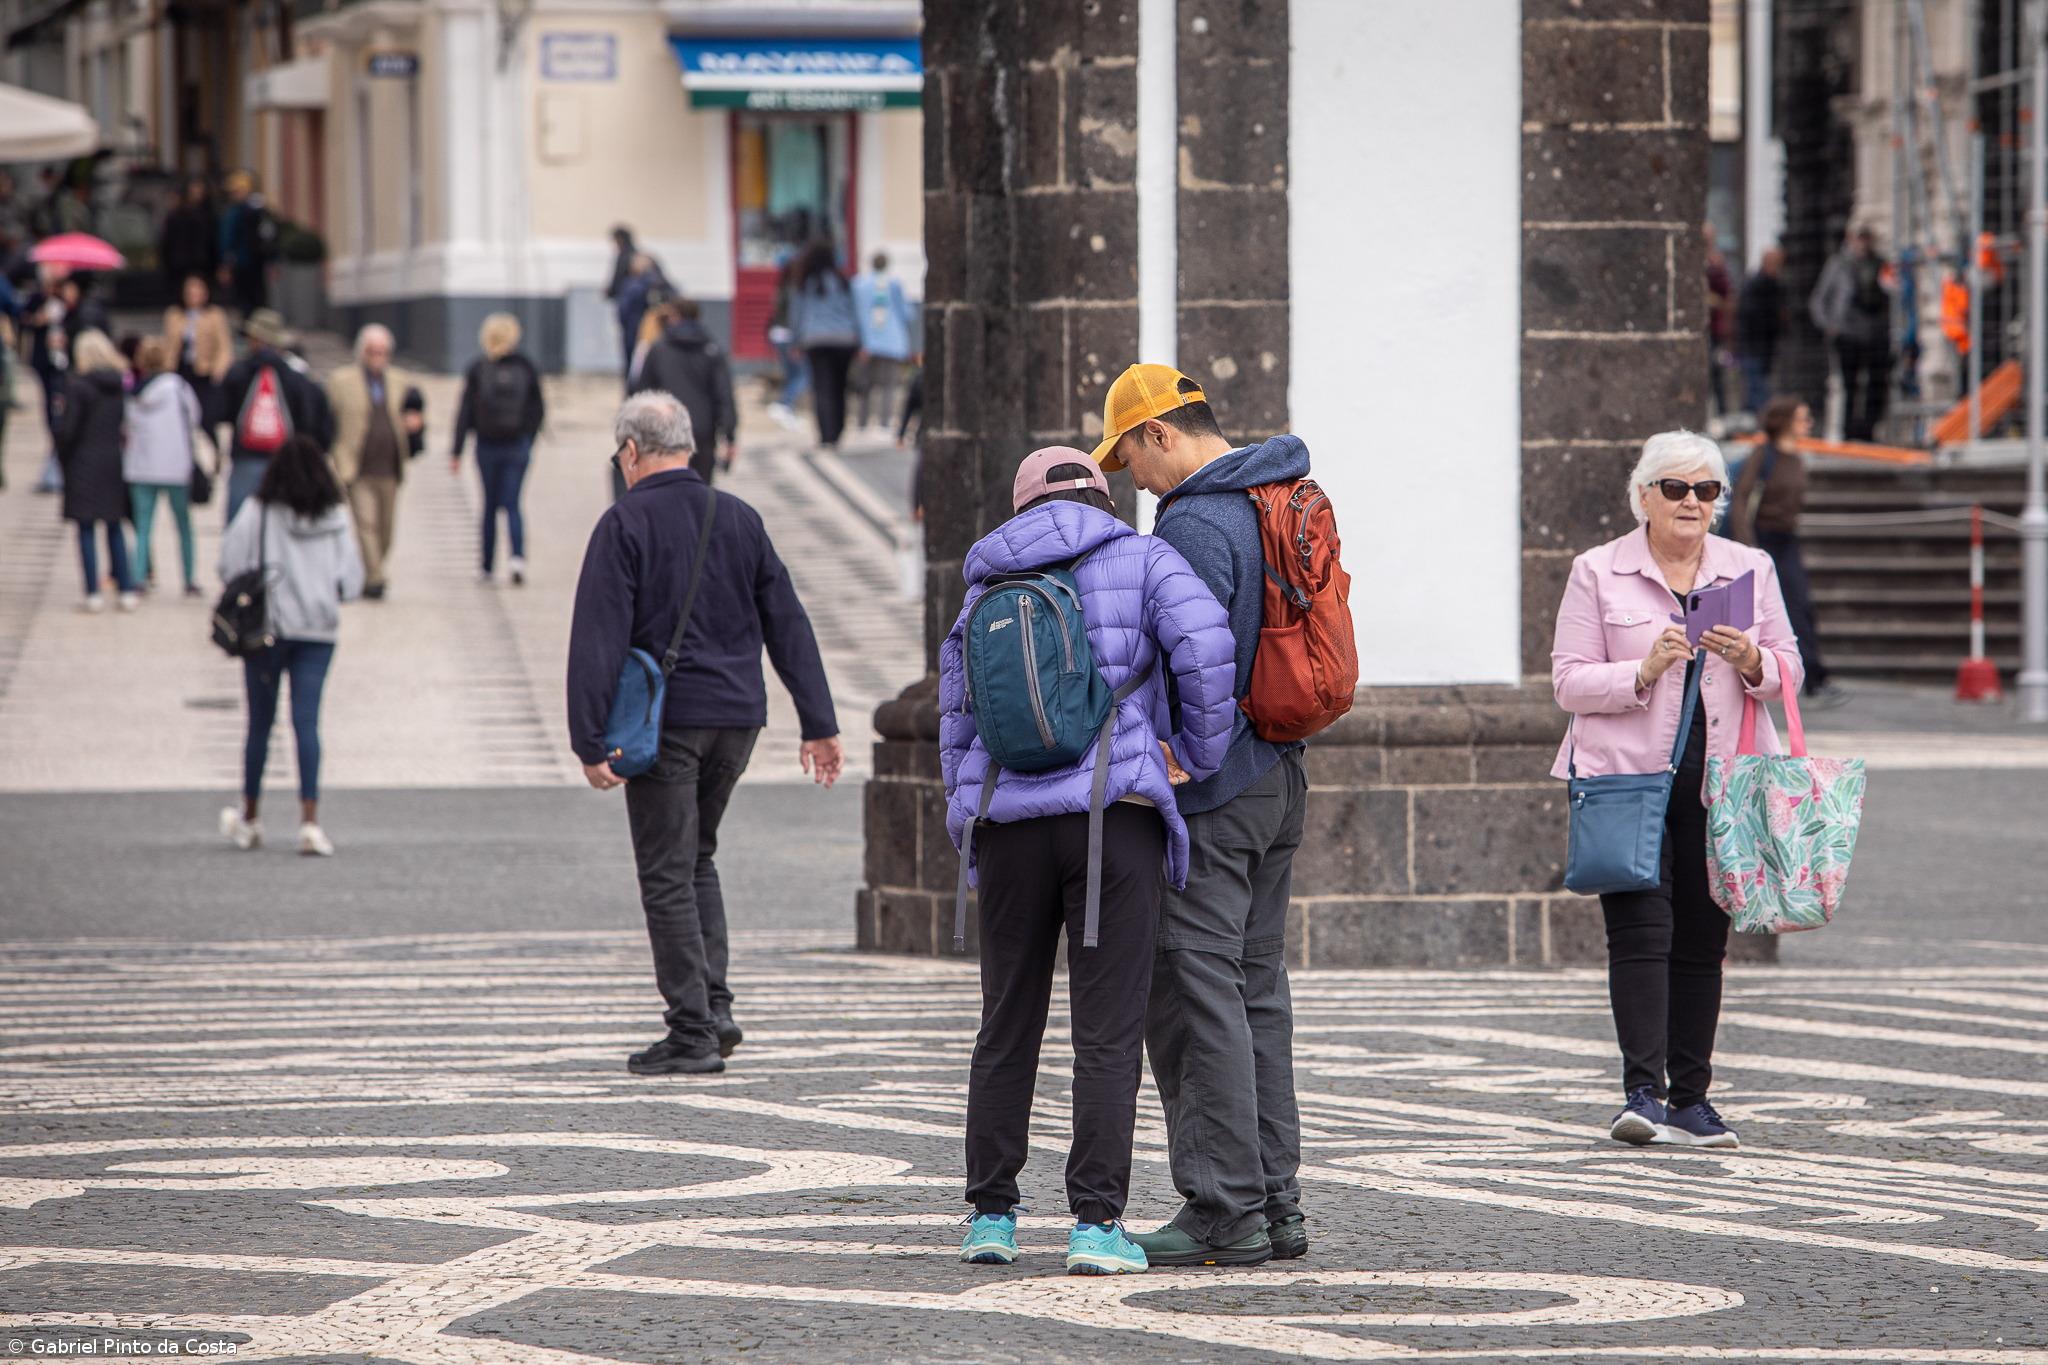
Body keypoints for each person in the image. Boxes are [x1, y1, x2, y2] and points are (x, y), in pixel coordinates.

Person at [943, 449, 1236, 1277]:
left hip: (1007, 822)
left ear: (1022, 503)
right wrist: (1192, 755)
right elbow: (1207, 649)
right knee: (1106, 1030)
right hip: (1115, 817)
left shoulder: (983, 586)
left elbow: (957, 721)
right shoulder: (1144, 557)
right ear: (1102, 498)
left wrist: (969, 825)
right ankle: (1096, 1224)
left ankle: (992, 1216)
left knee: (1006, 1020)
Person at [1091, 363, 1314, 1268]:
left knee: (1193, 989)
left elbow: (1193, 656)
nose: (1130, 481)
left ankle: (1225, 1207)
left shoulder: (1192, 518)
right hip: (1282, 777)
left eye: (1129, 458)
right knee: (1257, 989)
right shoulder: (1279, 491)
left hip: (1217, 789)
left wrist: (1188, 758)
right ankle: (1278, 1200)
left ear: (1160, 435)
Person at [567, 391, 844, 1077]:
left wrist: (588, 738)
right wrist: (819, 722)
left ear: (632, 451)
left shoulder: (624, 523)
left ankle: (691, 1029)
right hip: (739, 719)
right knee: (697, 858)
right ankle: (714, 1008)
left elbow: (597, 638)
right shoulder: (740, 517)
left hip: (669, 725)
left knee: (666, 871)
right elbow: (789, 621)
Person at [1551, 430, 1803, 1152]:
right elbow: (1568, 679)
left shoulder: (1747, 568)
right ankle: (1643, 1094)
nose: (1691, 501)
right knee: (1639, 933)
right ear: (1644, 498)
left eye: (1706, 490)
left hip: (1724, 784)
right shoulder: (1598, 571)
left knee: (1701, 939)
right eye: (1675, 488)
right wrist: (1642, 669)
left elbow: (1791, 671)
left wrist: (1753, 658)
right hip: (1624, 781)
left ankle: (1694, 1100)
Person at [218, 434, 365, 859]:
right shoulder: (336, 515)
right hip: (318, 632)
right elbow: (352, 581)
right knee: (307, 723)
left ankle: (250, 816)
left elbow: (229, 564)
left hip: (268, 630)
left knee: (260, 725)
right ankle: (310, 821)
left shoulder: (259, 511)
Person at [1730, 397, 1843, 708]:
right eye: (1802, 419)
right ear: (1785, 422)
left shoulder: (1797, 457)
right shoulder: (1764, 455)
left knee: (1801, 604)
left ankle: (1813, 677)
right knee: (1762, 609)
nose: (1808, 424)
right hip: (1761, 540)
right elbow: (1741, 498)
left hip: (1786, 538)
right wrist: (1747, 546)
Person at [208, 308, 334, 523]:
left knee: (239, 522)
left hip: (245, 457)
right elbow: (313, 418)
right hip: (285, 459)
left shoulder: (239, 373)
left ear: (255, 340)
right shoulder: (296, 378)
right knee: (284, 522)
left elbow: (218, 411)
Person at [326, 324, 424, 600]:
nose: (377, 357)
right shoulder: (342, 382)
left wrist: (414, 424)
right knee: (366, 524)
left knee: (386, 529)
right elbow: (328, 421)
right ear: (362, 352)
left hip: (390, 467)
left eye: (382, 352)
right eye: (372, 351)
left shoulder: (399, 381)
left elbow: (412, 413)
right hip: (357, 467)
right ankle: (375, 578)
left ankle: (373, 568)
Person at [452, 312, 547, 585]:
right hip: (517, 446)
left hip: (487, 445)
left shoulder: (478, 368)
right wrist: (528, 437)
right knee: (513, 503)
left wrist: (456, 450)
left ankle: (486, 565)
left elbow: (465, 411)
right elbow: (538, 408)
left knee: (490, 505)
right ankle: (517, 559)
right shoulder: (527, 366)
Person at [54, 330, 137, 612]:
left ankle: (93, 593)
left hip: (83, 460)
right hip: (113, 459)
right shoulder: (119, 385)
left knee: (86, 527)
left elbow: (68, 430)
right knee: (114, 525)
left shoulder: (78, 386)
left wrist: (61, 451)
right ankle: (125, 589)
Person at [124, 338, 206, 599]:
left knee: (143, 525)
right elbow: (194, 418)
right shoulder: (179, 388)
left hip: (141, 467)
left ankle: (139, 578)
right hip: (176, 466)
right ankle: (189, 578)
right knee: (183, 525)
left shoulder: (133, 393)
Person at [629, 298, 737, 483]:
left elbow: (642, 394)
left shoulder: (659, 350)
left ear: (674, 317)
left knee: (667, 490)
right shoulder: (712, 350)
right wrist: (729, 434)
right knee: (700, 492)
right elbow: (724, 395)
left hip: (665, 430)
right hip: (702, 430)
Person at [1810, 226, 1893, 442]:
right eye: (1860, 239)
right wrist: (1830, 325)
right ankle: (1848, 431)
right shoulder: (1839, 264)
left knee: (1876, 383)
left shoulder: (1881, 264)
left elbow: (1891, 294)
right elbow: (1819, 299)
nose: (1863, 243)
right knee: (1850, 385)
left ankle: (1869, 429)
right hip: (1847, 333)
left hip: (1875, 333)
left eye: (1867, 239)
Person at [788, 239, 860, 452]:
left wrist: (795, 341)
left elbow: (797, 314)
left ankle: (826, 434)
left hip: (816, 339)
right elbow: (854, 312)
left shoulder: (806, 283)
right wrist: (859, 339)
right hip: (844, 339)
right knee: (840, 387)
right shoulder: (843, 281)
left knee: (822, 387)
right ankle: (838, 431)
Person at [851, 251, 915, 433]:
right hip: (892, 341)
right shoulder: (894, 284)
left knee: (865, 384)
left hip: (866, 340)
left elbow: (854, 313)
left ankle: (861, 423)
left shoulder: (858, 284)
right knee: (889, 385)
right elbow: (907, 313)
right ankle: (884, 423)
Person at [161, 273, 234, 409]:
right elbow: (169, 343)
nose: (193, 296)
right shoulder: (174, 314)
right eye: (189, 293)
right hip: (180, 368)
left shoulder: (215, 315)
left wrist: (218, 371)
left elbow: (224, 347)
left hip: (205, 371)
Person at [1734, 246, 1788, 416]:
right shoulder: (1755, 285)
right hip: (1753, 345)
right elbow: (1749, 316)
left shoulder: (1775, 285)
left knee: (1759, 388)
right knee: (1756, 390)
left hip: (1764, 346)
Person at [765, 253, 810, 431]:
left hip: (777, 333)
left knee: (792, 373)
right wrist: (797, 342)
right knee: (804, 375)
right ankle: (785, 404)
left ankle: (787, 408)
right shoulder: (795, 290)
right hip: (789, 334)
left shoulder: (781, 287)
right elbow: (795, 317)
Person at [158, 178, 219, 294]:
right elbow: (167, 242)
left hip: (199, 263)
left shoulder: (206, 215)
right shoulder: (176, 216)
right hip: (182, 264)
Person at [614, 254, 661, 389]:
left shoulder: (633, 285)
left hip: (634, 331)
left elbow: (623, 310)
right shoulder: (658, 283)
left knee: (634, 368)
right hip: (654, 334)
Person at [1703, 223, 1733, 420]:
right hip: (1700, 328)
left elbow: (1727, 297)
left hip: (1713, 328)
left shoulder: (1716, 263)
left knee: (1716, 374)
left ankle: (1721, 416)